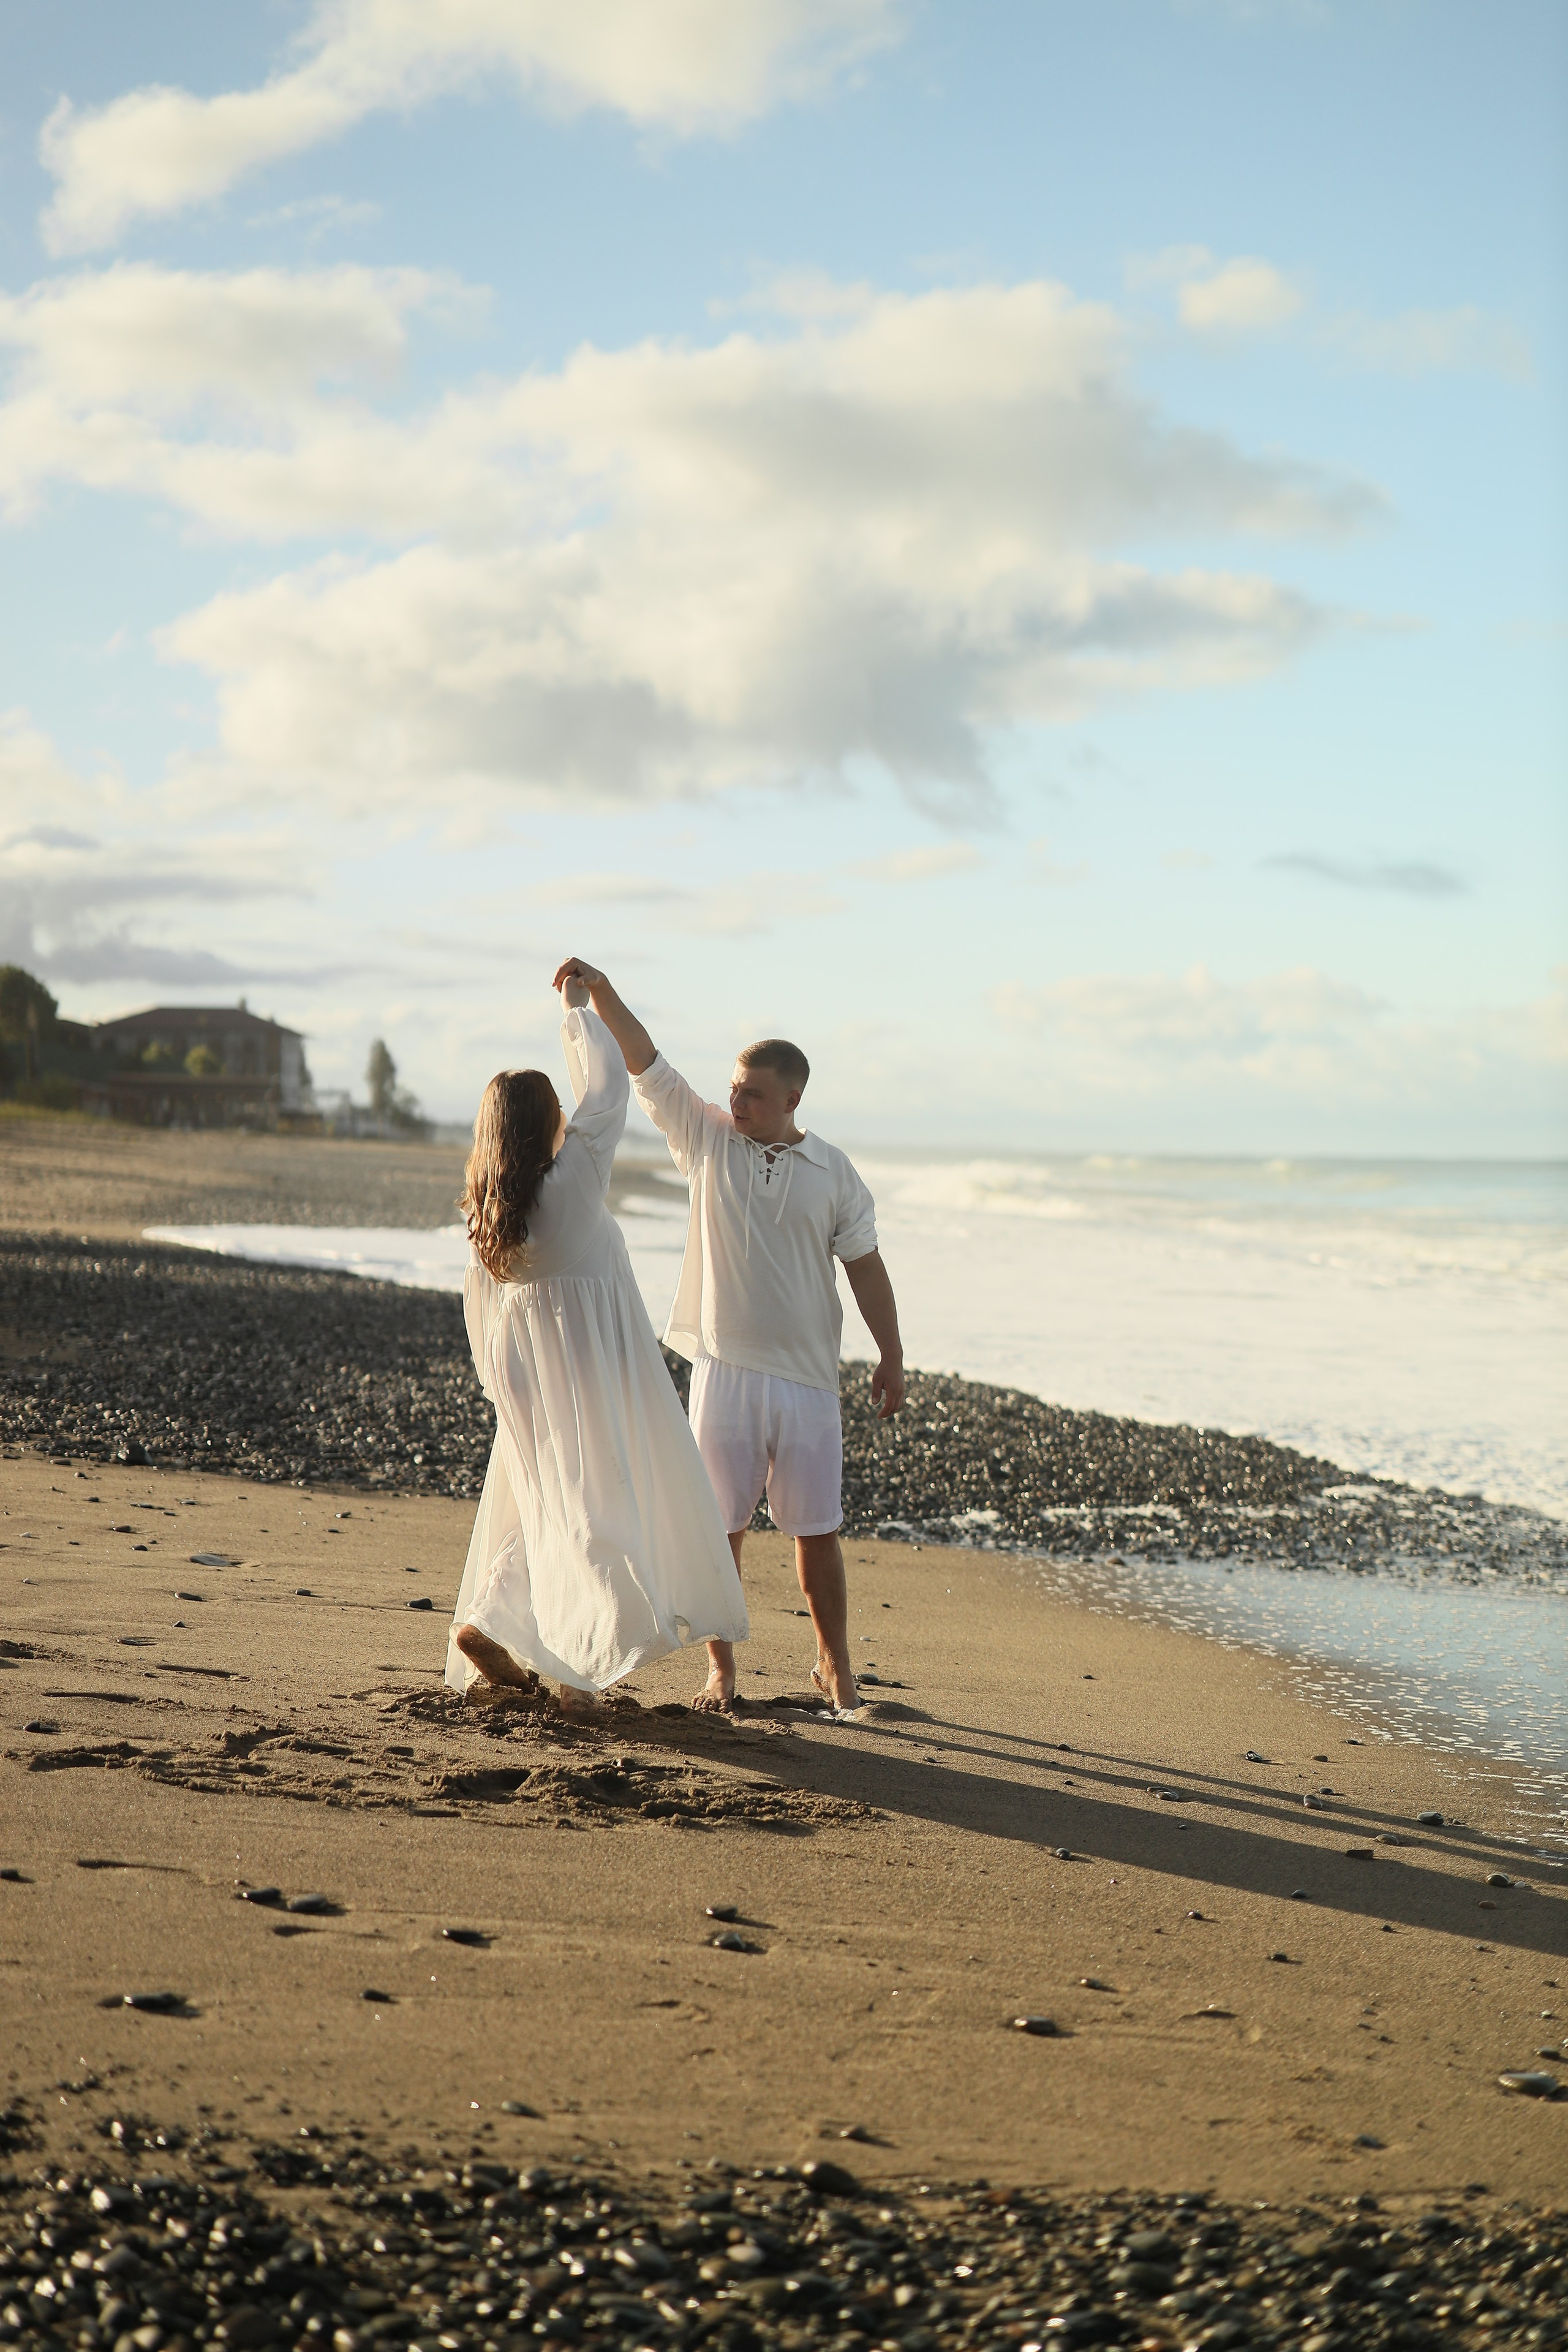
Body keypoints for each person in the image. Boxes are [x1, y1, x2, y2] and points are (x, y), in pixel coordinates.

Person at [550, 956, 906, 1720]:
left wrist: (892, 1354)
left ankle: (836, 1671)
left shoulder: (832, 1171)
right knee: (721, 1534)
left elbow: (867, 1270)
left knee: (817, 1537)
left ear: (791, 1099)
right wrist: (603, 993)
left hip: (809, 1380)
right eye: (734, 1087)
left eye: (751, 1092)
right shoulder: (707, 1138)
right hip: (724, 1373)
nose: (735, 1099)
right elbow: (646, 1063)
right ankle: (721, 1673)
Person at [445, 979, 748, 1709]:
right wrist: (577, 1010)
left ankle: (492, 1616)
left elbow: (478, 1303)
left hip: (520, 1364)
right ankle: (578, 1672)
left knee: (542, 1500)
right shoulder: (574, 1178)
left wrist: (501, 1384)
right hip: (584, 1359)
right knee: (595, 1504)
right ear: (549, 1121)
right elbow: (609, 1086)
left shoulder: (490, 1210)